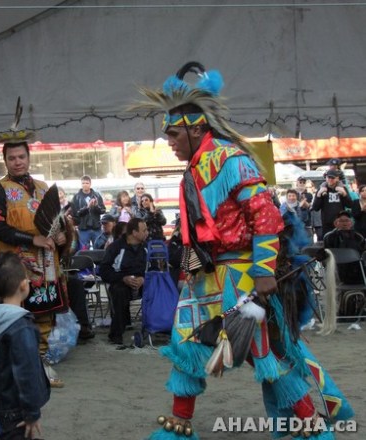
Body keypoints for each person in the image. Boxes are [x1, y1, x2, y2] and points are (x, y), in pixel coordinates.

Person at [135, 62, 353, 439]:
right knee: (185, 344)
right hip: (204, 278)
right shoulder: (193, 170)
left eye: (173, 133)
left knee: (260, 352)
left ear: (196, 128)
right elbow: (194, 234)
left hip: (240, 275)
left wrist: (264, 270)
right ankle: (179, 426)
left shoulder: (231, 160)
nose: (168, 141)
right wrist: (188, 270)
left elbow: (265, 217)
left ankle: (311, 424)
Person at [0, 135, 69, 388]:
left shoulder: (44, 188)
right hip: (16, 266)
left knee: (45, 316)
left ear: (29, 157)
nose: (17, 162)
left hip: (47, 265)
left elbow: (58, 222)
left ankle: (40, 361)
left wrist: (62, 235)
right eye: (12, 158)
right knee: (16, 315)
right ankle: (17, 367)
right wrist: (33, 239)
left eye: (21, 156)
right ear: (5, 161)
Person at [0, 252, 50, 440]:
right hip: (16, 408)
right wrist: (32, 412)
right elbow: (27, 371)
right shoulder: (21, 327)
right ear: (24, 285)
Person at [99, 218, 148, 346]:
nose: (147, 233)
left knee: (157, 289)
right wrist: (123, 278)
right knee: (119, 292)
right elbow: (104, 271)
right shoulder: (115, 247)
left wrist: (143, 278)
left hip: (143, 282)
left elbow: (155, 268)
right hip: (121, 282)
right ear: (134, 233)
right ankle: (116, 334)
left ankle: (156, 328)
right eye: (144, 230)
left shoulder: (146, 247)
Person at [323, 210, 366, 284]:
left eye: (346, 221)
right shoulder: (329, 237)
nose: (344, 223)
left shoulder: (359, 237)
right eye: (341, 221)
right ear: (335, 223)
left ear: (351, 223)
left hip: (357, 271)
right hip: (338, 271)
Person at [312, 169, 352, 237]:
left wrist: (344, 194)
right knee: (328, 241)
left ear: (337, 178)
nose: (330, 179)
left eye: (332, 178)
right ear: (326, 178)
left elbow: (349, 205)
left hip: (340, 222)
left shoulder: (343, 188)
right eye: (328, 177)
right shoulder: (321, 189)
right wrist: (319, 195)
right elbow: (315, 208)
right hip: (326, 223)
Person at [71, 175, 106, 250]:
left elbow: (103, 210)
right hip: (83, 229)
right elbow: (75, 213)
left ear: (90, 184)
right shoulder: (76, 197)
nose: (85, 185)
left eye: (87, 183)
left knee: (99, 249)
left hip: (96, 228)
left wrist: (96, 206)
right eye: (83, 183)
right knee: (84, 250)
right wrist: (87, 207)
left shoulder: (97, 195)